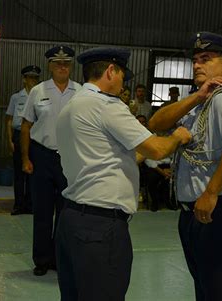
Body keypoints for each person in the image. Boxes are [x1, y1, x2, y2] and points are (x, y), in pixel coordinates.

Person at [55, 47, 191, 300]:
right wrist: (177, 136)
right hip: (101, 226)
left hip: (71, 219)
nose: (121, 84)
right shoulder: (106, 105)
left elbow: (106, 158)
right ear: (110, 71)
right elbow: (157, 149)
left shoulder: (71, 106)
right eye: (121, 76)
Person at [149, 31, 222, 301]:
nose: (197, 64)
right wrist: (196, 97)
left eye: (206, 58)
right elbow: (156, 124)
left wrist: (210, 192)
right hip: (195, 215)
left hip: (220, 212)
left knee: (221, 293)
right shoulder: (201, 101)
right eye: (195, 60)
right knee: (208, 291)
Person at [20, 45, 82, 276]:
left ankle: (60, 258)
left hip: (70, 158)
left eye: (66, 63)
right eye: (57, 63)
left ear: (71, 66)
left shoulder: (81, 91)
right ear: (50, 66)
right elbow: (26, 126)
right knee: (43, 212)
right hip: (42, 156)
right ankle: (42, 259)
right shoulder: (37, 91)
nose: (62, 67)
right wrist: (25, 158)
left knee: (66, 213)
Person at [5, 65, 41, 215]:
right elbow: (9, 120)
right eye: (30, 77)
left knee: (34, 173)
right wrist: (10, 140)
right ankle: (19, 205)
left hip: (36, 137)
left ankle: (31, 205)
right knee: (19, 174)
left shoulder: (41, 96)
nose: (32, 81)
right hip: (19, 135)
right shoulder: (16, 97)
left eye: (35, 78)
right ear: (24, 80)